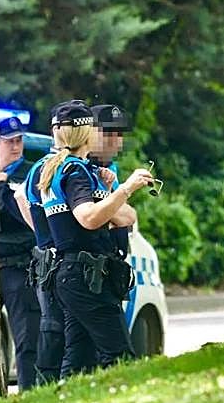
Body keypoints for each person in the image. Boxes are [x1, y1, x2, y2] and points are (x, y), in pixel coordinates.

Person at [41, 101, 154, 373]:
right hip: (84, 275)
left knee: (79, 359)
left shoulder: (63, 168)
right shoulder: (75, 171)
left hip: (72, 274)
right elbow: (88, 218)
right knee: (119, 354)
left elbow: (123, 217)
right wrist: (126, 188)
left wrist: (106, 190)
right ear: (87, 133)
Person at [23, 103, 72, 384]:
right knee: (56, 331)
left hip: (49, 259)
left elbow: (23, 199)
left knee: (55, 331)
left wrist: (43, 234)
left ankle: (51, 386)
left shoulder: (42, 167)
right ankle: (50, 387)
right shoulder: (51, 167)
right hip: (55, 263)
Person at [0, 116, 41, 390]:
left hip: (18, 266)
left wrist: (1, 185)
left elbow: (19, 214)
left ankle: (28, 393)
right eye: (9, 141)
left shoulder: (27, 175)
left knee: (27, 339)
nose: (15, 147)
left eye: (19, 140)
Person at [90, 104, 133, 259]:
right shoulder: (79, 169)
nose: (115, 140)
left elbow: (129, 217)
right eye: (108, 132)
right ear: (89, 132)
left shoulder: (110, 167)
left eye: (119, 133)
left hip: (112, 261)